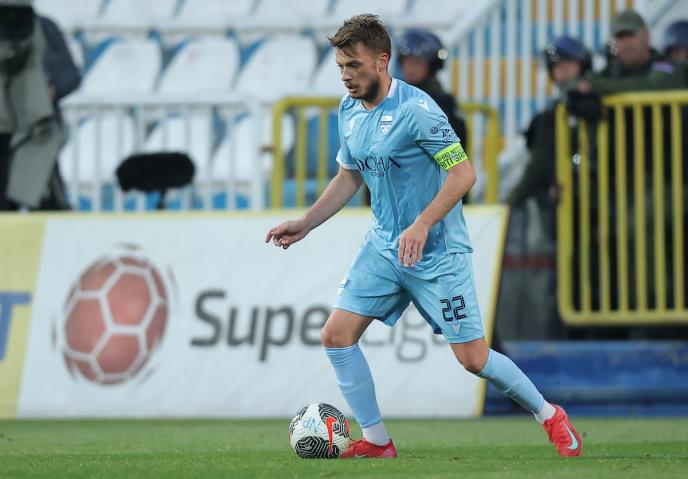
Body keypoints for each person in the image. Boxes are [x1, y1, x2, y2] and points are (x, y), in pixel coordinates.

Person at [266, 14, 582, 459]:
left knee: (473, 359)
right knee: (336, 335)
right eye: (340, 67)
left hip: (436, 251)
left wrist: (423, 223)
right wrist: (307, 222)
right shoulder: (349, 110)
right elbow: (348, 176)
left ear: (382, 61)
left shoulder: (418, 110)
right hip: (385, 246)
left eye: (354, 65)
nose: (346, 76)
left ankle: (550, 415)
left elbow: (463, 174)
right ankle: (378, 442)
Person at [508, 36, 592, 208]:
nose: (562, 70)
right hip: (562, 200)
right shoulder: (552, 114)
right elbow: (539, 164)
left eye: (568, 63)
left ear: (582, 64)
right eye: (556, 65)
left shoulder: (603, 100)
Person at [577, 10, 686, 95]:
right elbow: (581, 83)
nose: (626, 43)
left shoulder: (667, 65)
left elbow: (651, 86)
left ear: (646, 36)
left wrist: (597, 86)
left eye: (630, 34)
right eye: (620, 36)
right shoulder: (613, 69)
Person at [397, 29, 468, 151]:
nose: (409, 68)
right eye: (405, 62)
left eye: (416, 63)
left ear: (432, 65)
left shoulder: (442, 102)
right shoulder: (394, 96)